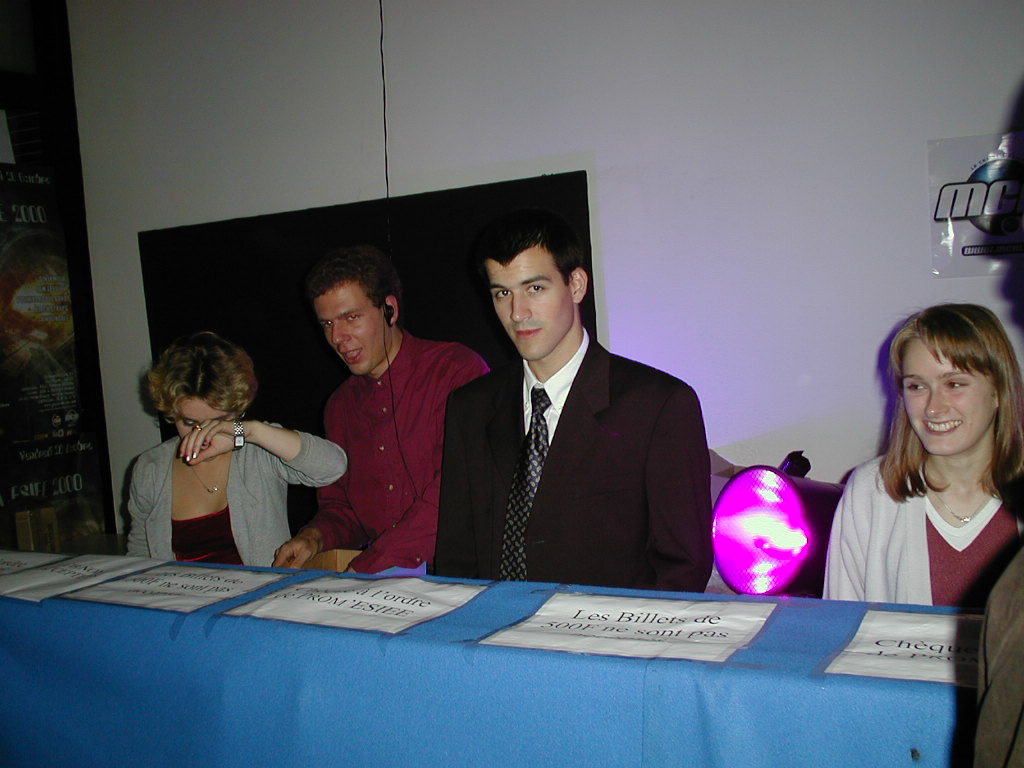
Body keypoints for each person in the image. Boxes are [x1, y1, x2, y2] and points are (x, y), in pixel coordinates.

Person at [434, 208, 713, 591]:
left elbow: (683, 568)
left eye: (535, 288)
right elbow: (456, 559)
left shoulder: (658, 406)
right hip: (494, 625)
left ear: (576, 285)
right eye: (503, 293)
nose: (518, 313)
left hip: (606, 627)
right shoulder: (471, 407)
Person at [272, 245, 489, 572]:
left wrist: (374, 564)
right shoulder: (340, 406)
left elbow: (456, 492)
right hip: (384, 580)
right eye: (327, 323)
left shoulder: (456, 370)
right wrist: (314, 537)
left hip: (463, 576)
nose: (338, 337)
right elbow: (343, 508)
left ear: (390, 310)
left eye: (351, 317)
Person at [824, 303, 1023, 607]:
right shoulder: (871, 492)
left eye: (954, 384)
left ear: (998, 390)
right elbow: (841, 620)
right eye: (917, 386)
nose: (933, 407)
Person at [127, 331, 348, 566]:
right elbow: (140, 554)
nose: (202, 435)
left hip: (259, 590)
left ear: (238, 411)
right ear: (171, 412)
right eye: (189, 422)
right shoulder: (151, 468)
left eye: (218, 422)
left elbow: (333, 467)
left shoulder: (258, 450)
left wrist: (250, 432)